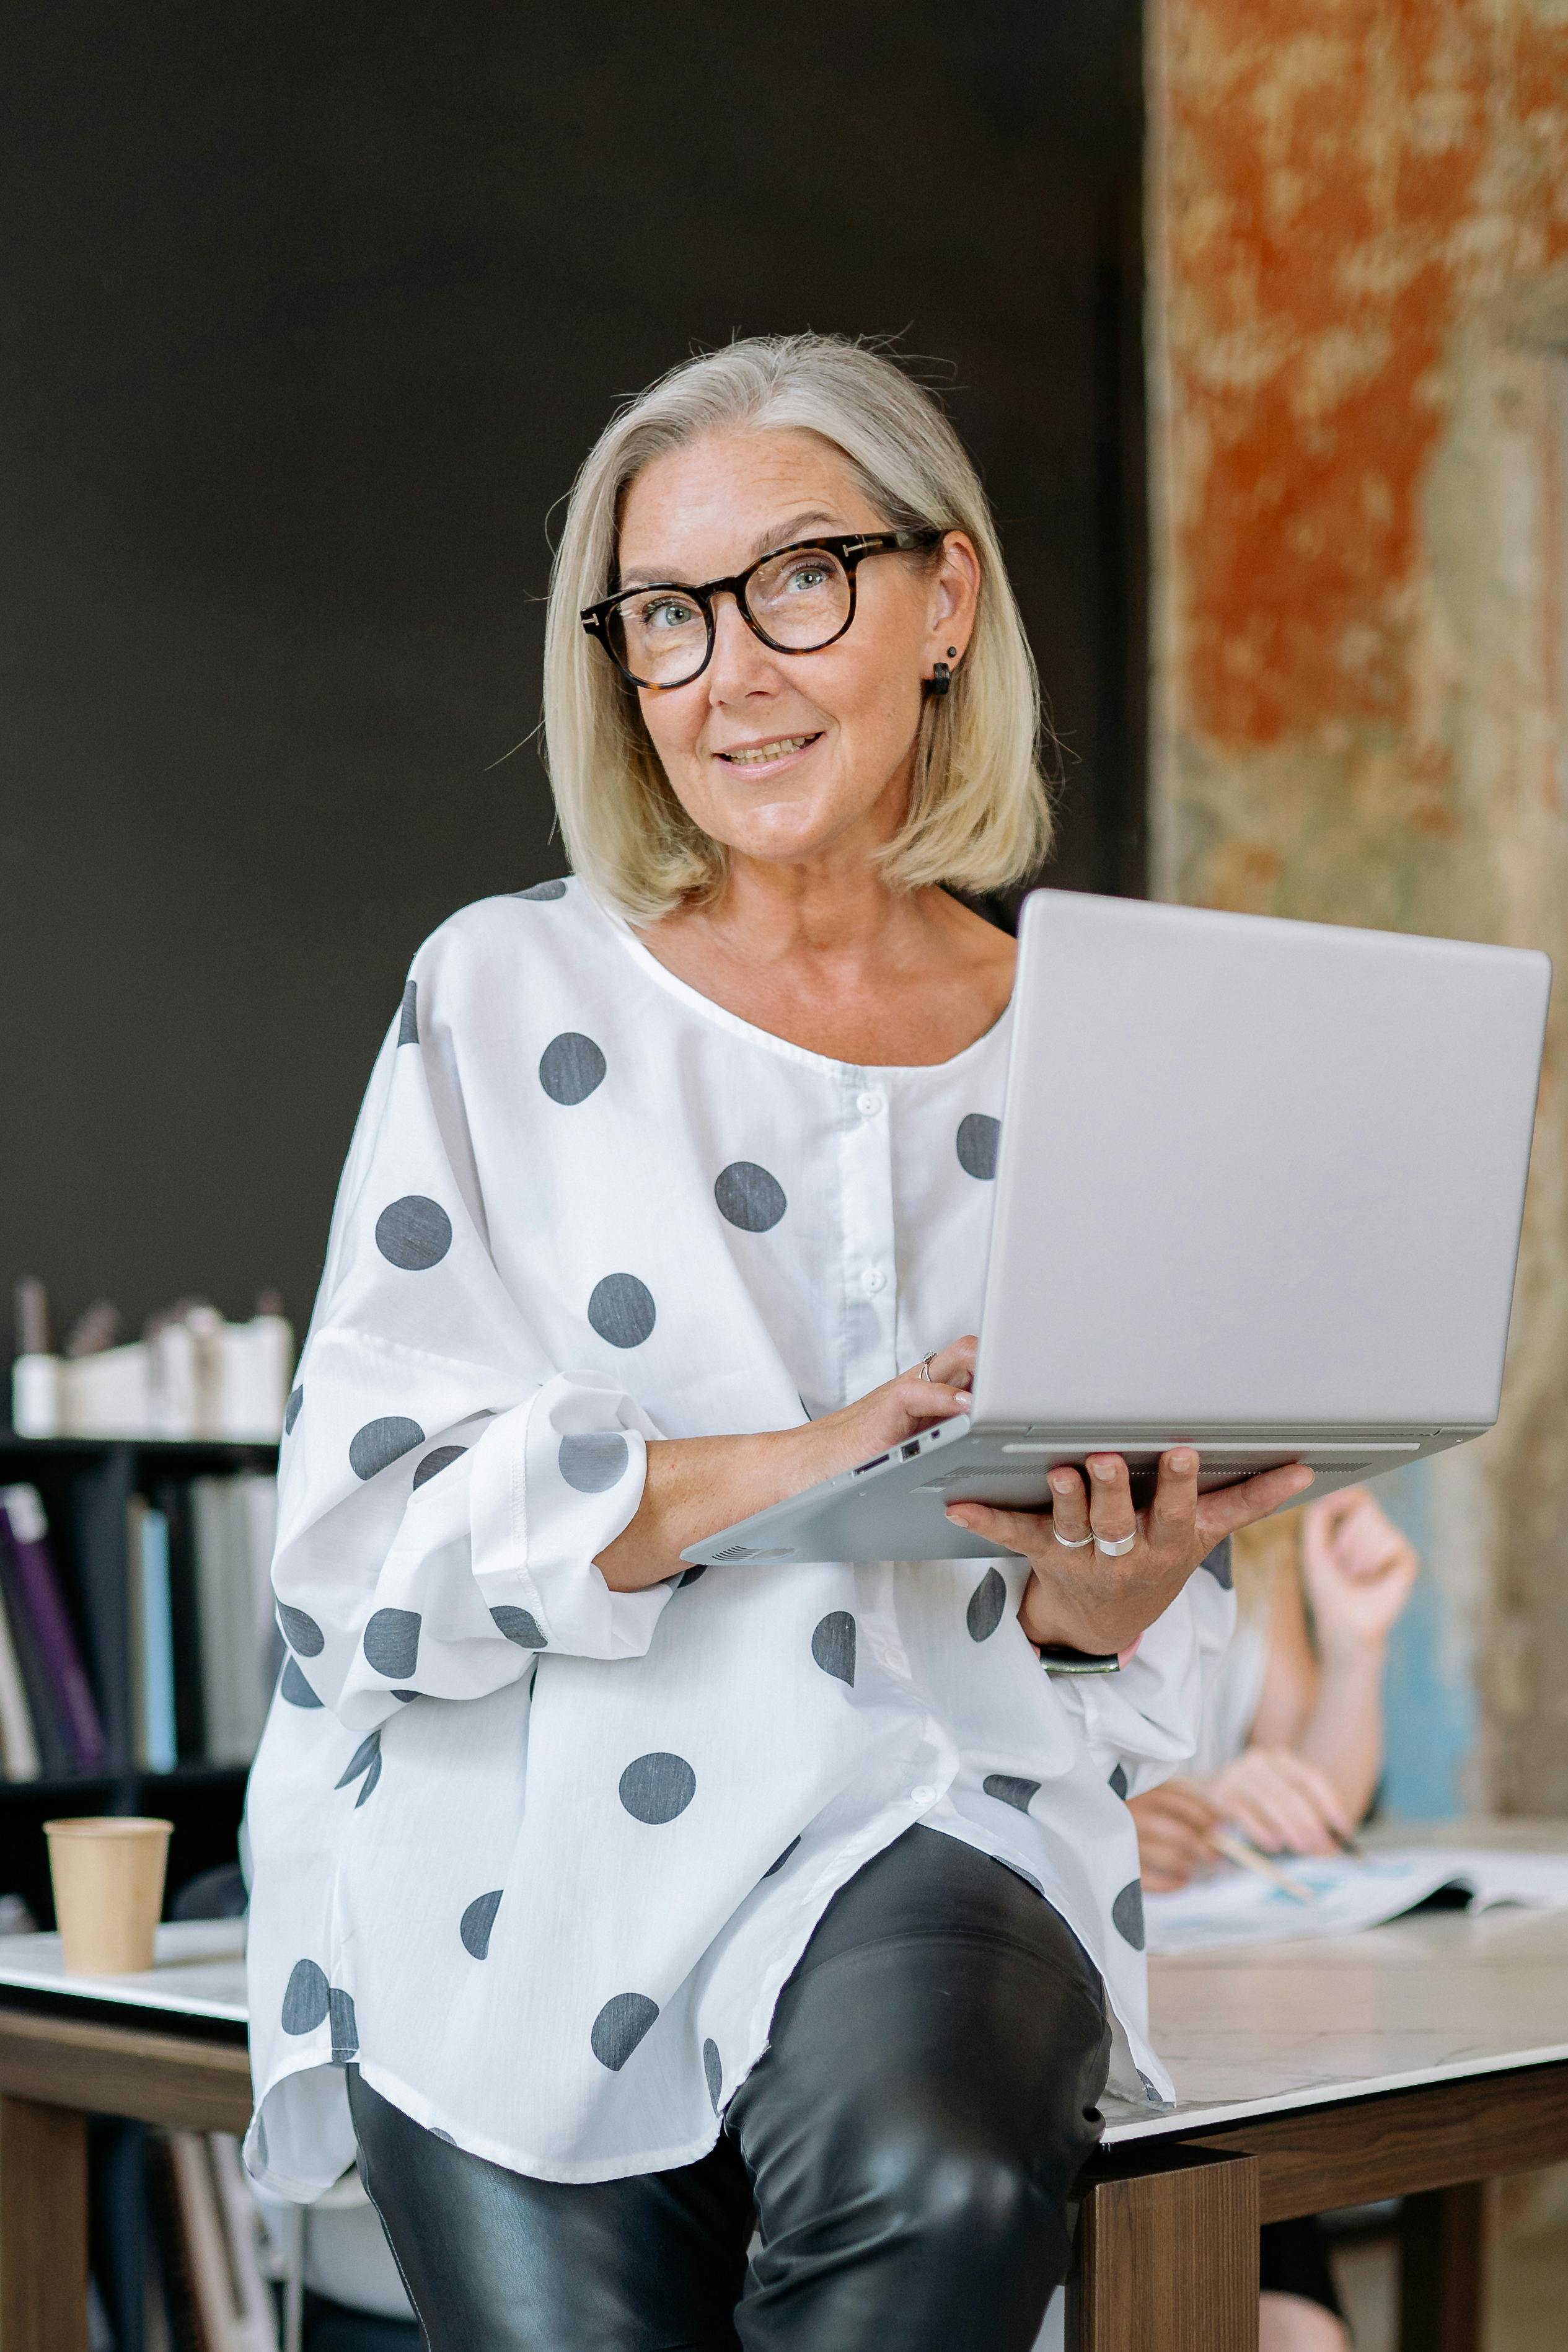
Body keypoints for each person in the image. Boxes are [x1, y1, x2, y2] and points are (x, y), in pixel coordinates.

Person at [242, 333, 1311, 2352]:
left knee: (941, 2171)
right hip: (513, 1864)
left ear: (944, 599)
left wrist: (1102, 1604)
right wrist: (807, 1457)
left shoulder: (1103, 1041)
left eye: (798, 579)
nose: (729, 670)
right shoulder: (505, 987)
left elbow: (1118, 1657)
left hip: (935, 1811)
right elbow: (355, 1560)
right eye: (667, 613)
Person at [1129, 1486, 1419, 2352]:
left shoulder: (1259, 1535)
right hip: (1069, 1999)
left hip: (1207, 2012)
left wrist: (1354, 1642)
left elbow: (1315, 1811)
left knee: (1296, 2328)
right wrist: (1098, 1831)